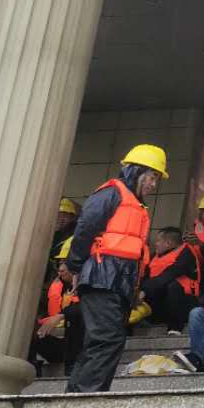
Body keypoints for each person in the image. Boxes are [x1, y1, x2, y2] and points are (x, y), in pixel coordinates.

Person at [63, 144, 167, 393]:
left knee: (106, 341)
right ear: (136, 171)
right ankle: (87, 398)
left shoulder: (135, 204)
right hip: (102, 277)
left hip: (119, 282)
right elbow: (85, 228)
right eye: (152, 177)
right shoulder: (111, 193)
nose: (154, 184)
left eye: (156, 179)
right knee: (106, 339)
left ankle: (77, 396)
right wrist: (75, 267)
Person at [30, 237, 78, 374]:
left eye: (66, 263)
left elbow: (86, 309)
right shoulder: (58, 286)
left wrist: (61, 316)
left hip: (81, 345)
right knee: (29, 329)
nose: (61, 269)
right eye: (60, 263)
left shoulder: (91, 287)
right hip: (61, 341)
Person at [144, 227, 202, 335]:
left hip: (185, 303)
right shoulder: (154, 256)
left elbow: (171, 273)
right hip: (161, 302)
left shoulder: (186, 253)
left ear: (168, 243)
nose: (156, 244)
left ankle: (175, 328)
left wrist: (144, 290)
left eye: (158, 241)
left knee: (173, 285)